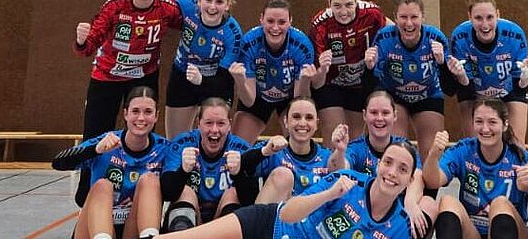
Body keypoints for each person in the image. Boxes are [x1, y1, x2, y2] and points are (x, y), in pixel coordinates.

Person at [74, 0, 182, 206]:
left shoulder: (167, 8)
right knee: (95, 133)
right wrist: (81, 40)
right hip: (107, 77)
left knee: (143, 129)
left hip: (144, 77)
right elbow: (88, 47)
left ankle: (142, 187)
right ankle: (87, 193)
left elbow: (191, 20)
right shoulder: (116, 5)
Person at [154, 142, 424, 239]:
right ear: (378, 164)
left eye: (402, 169)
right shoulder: (348, 181)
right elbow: (288, 214)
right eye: (388, 162)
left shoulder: (400, 225)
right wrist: (330, 194)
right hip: (269, 224)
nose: (392, 172)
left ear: (410, 179)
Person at [51, 86, 172, 239]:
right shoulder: (107, 142)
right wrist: (95, 150)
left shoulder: (164, 148)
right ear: (125, 114)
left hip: (133, 227)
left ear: (156, 116)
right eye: (135, 111)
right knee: (102, 185)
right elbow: (58, 163)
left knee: (150, 180)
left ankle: (149, 235)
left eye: (148, 112)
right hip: (95, 226)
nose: (141, 118)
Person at [423, 98, 528, 239]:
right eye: (479, 122)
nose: (485, 129)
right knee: (447, 201)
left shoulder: (520, 157)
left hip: (513, 232)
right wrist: (433, 155)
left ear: (505, 125)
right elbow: (433, 182)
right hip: (473, 232)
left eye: (492, 122)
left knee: (500, 203)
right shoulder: (463, 150)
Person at [366, 0, 468, 160]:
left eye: (414, 17)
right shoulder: (384, 38)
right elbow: (371, 86)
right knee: (396, 151)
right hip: (395, 95)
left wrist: (442, 64)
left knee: (432, 154)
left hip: (428, 95)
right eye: (403, 17)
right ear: (395, 18)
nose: (409, 23)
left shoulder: (436, 38)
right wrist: (369, 67)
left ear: (423, 17)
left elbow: (450, 90)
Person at [326, 90, 436, 235]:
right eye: (373, 112)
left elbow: (417, 176)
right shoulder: (356, 148)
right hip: (360, 214)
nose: (379, 118)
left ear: (394, 116)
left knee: (428, 204)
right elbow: (338, 170)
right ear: (364, 115)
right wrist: (339, 151)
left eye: (385, 113)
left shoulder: (404, 146)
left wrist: (410, 203)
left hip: (393, 218)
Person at [309, 0, 390, 148]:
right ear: (329, 3)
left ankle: (353, 166)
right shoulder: (320, 25)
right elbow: (316, 83)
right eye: (337, 6)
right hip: (330, 83)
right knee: (334, 136)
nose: (343, 12)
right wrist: (322, 68)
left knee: (354, 140)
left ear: (357, 1)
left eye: (349, 5)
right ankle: (332, 165)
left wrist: (378, 56)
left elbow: (391, 31)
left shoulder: (371, 14)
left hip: (360, 81)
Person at [449, 0, 528, 146]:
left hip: (509, 91)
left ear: (498, 15)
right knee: (475, 145)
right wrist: (461, 76)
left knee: (516, 145)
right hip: (474, 92)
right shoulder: (460, 37)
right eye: (478, 18)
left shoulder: (514, 35)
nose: (485, 25)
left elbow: (520, 89)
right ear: (470, 17)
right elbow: (465, 90)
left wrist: (525, 77)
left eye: (490, 17)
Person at [228, 0, 316, 144]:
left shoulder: (302, 45)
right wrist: (240, 81)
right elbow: (249, 101)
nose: (275, 28)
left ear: (290, 21)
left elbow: (300, 101)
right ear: (261, 19)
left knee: (299, 142)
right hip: (258, 96)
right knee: (237, 146)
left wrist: (306, 80)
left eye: (282, 22)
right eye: (270, 21)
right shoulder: (249, 42)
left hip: (290, 97)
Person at [165, 0, 244, 139]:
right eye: (208, 0)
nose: (212, 7)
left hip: (216, 82)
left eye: (219, 2)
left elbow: (225, 79)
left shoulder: (233, 34)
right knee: (176, 140)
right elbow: (155, 3)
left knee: (214, 135)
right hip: (182, 75)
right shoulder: (186, 4)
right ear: (199, 0)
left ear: (228, 5)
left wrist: (201, 80)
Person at [160, 97, 253, 232]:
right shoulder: (182, 143)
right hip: (191, 216)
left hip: (222, 217)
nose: (214, 130)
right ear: (198, 124)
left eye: (221, 123)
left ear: (229, 125)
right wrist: (183, 171)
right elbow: (167, 193)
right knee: (185, 192)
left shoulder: (241, 149)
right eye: (208, 123)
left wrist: (238, 174)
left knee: (233, 194)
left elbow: (251, 200)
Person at [237, 97, 331, 204]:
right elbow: (240, 168)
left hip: (314, 213)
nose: (302, 123)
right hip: (275, 213)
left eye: (309, 118)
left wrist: (341, 151)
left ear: (316, 124)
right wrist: (264, 152)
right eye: (296, 117)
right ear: (286, 122)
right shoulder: (272, 148)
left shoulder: (327, 157)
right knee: (282, 175)